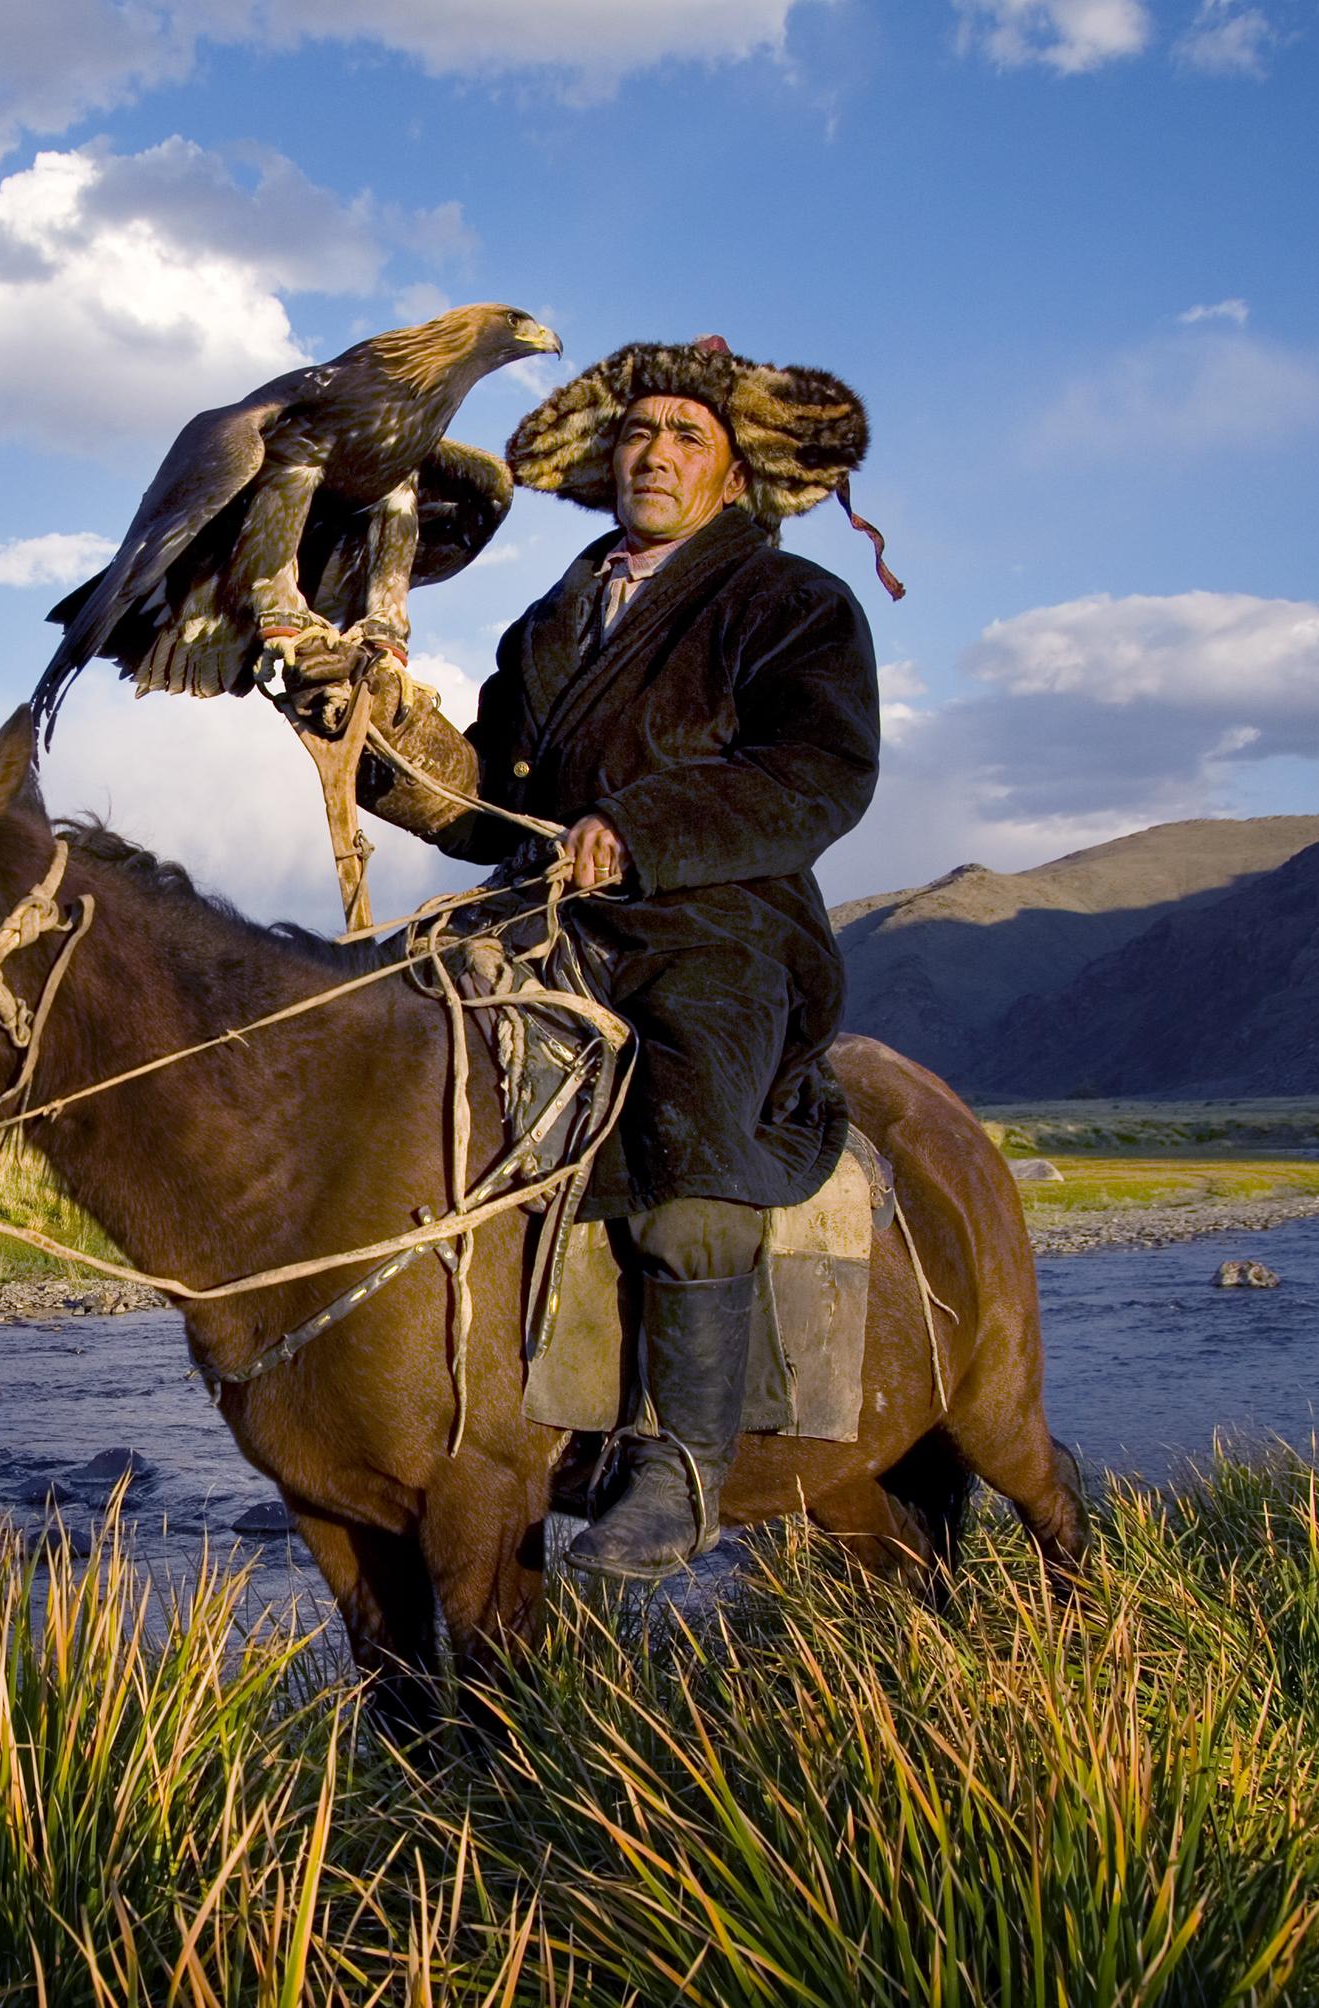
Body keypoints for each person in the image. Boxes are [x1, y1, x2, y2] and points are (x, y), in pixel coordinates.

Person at [346, 335, 890, 1579]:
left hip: (720, 923)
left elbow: (819, 773)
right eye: (638, 433)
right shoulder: (554, 618)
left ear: (736, 469)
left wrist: (639, 830)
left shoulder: (794, 606)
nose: (655, 451)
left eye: (687, 436)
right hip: (543, 916)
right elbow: (490, 802)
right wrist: (383, 744)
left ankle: (681, 1465)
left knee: (695, 1130)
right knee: (384, 1063)